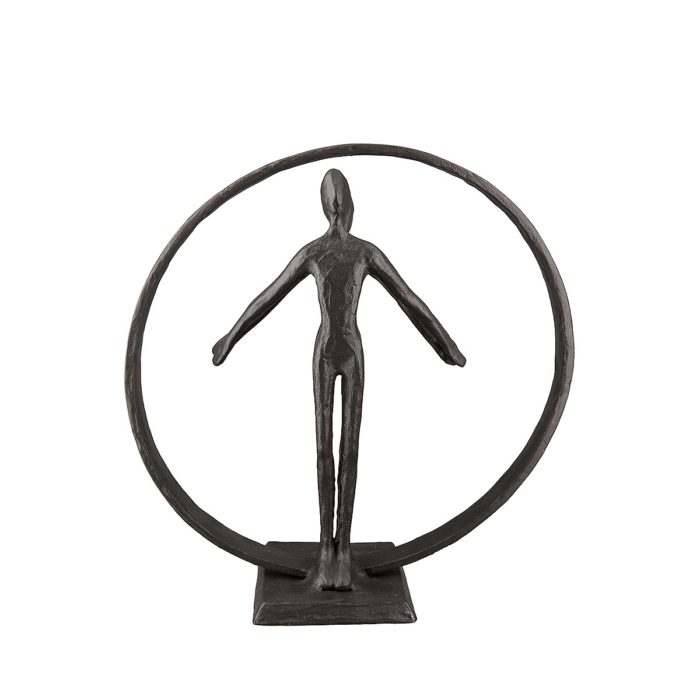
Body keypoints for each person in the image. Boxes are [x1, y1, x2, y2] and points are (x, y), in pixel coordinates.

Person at [213, 169, 465, 590]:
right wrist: (230, 337)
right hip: (339, 351)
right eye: (337, 202)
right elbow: (270, 297)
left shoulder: (344, 252)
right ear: (346, 208)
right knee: (332, 448)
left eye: (335, 201)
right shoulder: (339, 251)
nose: (336, 209)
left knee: (340, 448)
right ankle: (330, 550)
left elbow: (408, 300)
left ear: (333, 207)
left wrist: (446, 345)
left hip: (338, 351)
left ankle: (339, 550)